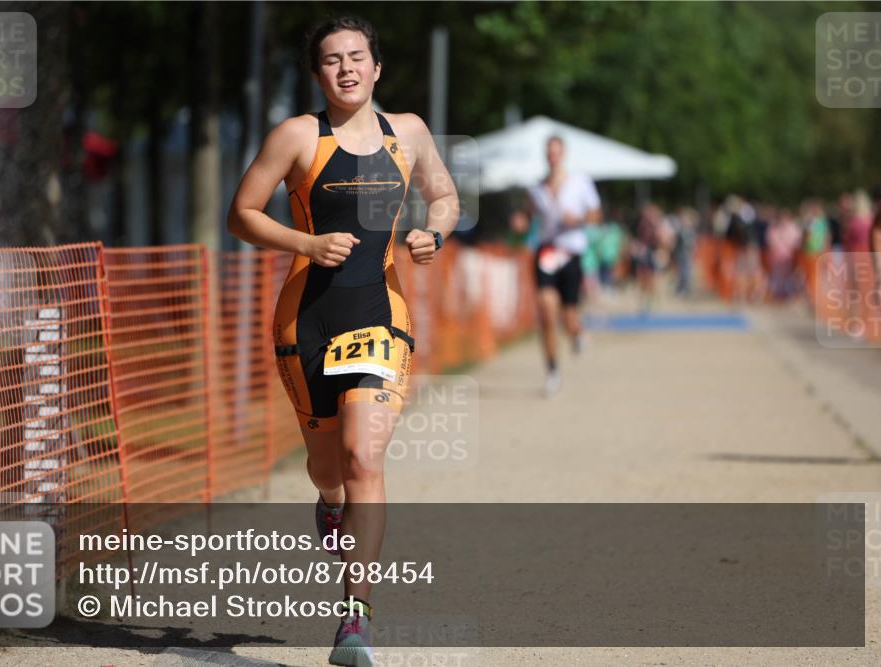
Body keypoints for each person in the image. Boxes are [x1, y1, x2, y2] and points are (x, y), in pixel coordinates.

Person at [227, 16, 458, 667]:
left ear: (377, 67)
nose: (347, 68)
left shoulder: (407, 132)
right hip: (307, 319)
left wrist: (431, 233)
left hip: (379, 316)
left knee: (364, 459)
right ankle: (328, 504)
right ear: (318, 73)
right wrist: (306, 243)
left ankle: (354, 621)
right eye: (332, 60)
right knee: (329, 469)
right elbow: (241, 212)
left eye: (358, 57)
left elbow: (442, 194)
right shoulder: (298, 136)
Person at [509, 136, 601, 396]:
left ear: (563, 154)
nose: (553, 157)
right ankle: (552, 371)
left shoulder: (580, 182)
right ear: (545, 156)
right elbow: (527, 215)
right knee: (546, 311)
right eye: (549, 153)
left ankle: (577, 334)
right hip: (547, 252)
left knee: (569, 316)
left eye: (556, 152)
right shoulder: (537, 188)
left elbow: (596, 214)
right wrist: (521, 221)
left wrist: (579, 218)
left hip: (571, 252)